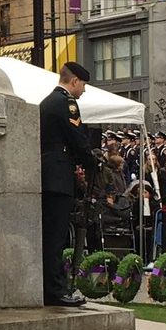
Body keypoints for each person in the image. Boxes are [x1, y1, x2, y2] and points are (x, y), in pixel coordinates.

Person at [38, 62, 95, 308]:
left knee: (51, 236)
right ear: (74, 82)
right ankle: (55, 290)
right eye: (83, 85)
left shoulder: (47, 102)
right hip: (59, 178)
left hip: (50, 175)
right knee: (56, 237)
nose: (83, 90)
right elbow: (77, 139)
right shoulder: (66, 104)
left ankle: (50, 286)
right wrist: (91, 161)